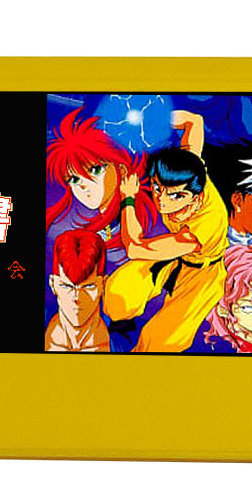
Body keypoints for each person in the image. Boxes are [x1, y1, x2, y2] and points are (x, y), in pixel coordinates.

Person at [102, 112, 228, 352]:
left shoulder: (201, 228)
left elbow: (135, 248)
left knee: (158, 343)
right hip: (171, 258)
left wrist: (128, 199)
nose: (162, 201)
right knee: (117, 298)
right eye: (158, 188)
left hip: (202, 275)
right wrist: (150, 120)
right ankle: (124, 324)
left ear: (195, 197)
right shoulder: (188, 166)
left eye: (176, 196)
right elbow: (194, 121)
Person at [46, 107, 157, 266]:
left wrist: (128, 198)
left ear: (121, 170)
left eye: (95, 170)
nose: (83, 186)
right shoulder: (97, 227)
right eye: (74, 179)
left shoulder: (146, 218)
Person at [45, 229, 110, 353]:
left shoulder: (125, 341)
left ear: (103, 285)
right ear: (53, 284)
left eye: (88, 286)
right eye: (66, 286)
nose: (77, 297)